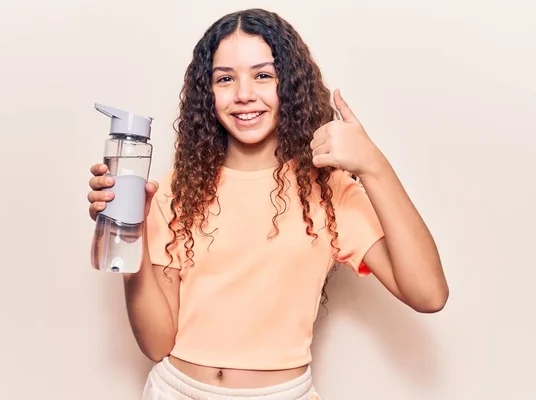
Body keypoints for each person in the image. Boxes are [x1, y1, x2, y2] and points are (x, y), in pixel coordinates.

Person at [86, 8, 449, 400]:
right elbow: (157, 344)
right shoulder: (180, 189)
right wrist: (129, 235)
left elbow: (429, 294)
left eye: (263, 75)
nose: (244, 94)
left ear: (289, 85)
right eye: (225, 78)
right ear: (208, 93)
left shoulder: (330, 191)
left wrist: (373, 164)